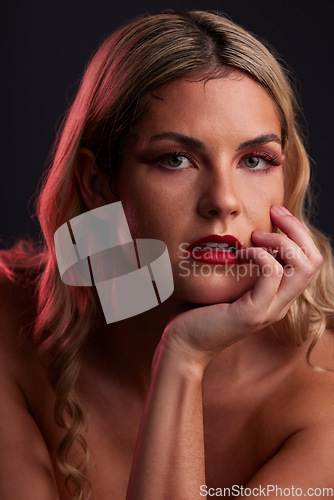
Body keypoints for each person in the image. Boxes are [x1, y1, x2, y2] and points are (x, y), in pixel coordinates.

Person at [1, 9, 334, 500]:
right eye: (175, 159)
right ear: (97, 182)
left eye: (255, 160)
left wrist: (185, 355)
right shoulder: (10, 327)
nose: (223, 199)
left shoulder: (320, 393)